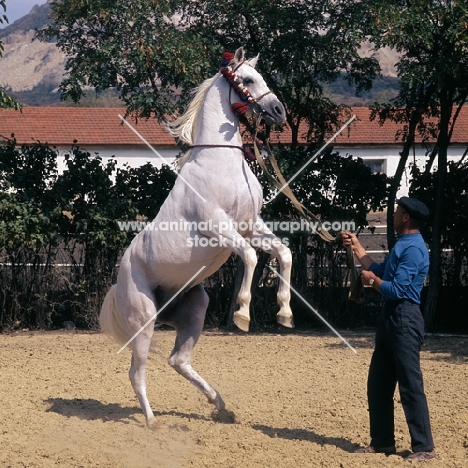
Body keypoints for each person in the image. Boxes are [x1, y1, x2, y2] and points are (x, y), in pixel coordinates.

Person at [342, 196, 436, 461]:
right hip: (391, 318)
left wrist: (372, 282)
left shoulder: (414, 249)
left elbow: (399, 289)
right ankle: (382, 442)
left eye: (397, 212)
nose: (393, 215)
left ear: (406, 217)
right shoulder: (404, 244)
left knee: (410, 385)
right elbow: (382, 270)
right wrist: (358, 247)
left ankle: (425, 447)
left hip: (404, 317)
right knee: (378, 384)